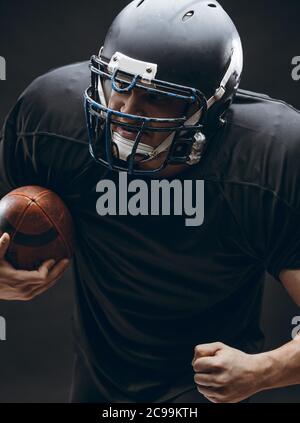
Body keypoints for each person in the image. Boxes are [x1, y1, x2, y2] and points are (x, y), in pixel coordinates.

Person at [0, 0, 300, 403]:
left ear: (211, 109)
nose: (124, 112)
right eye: (119, 83)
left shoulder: (267, 161)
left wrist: (266, 369)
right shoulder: (51, 119)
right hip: (97, 382)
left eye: (156, 97)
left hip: (211, 386)